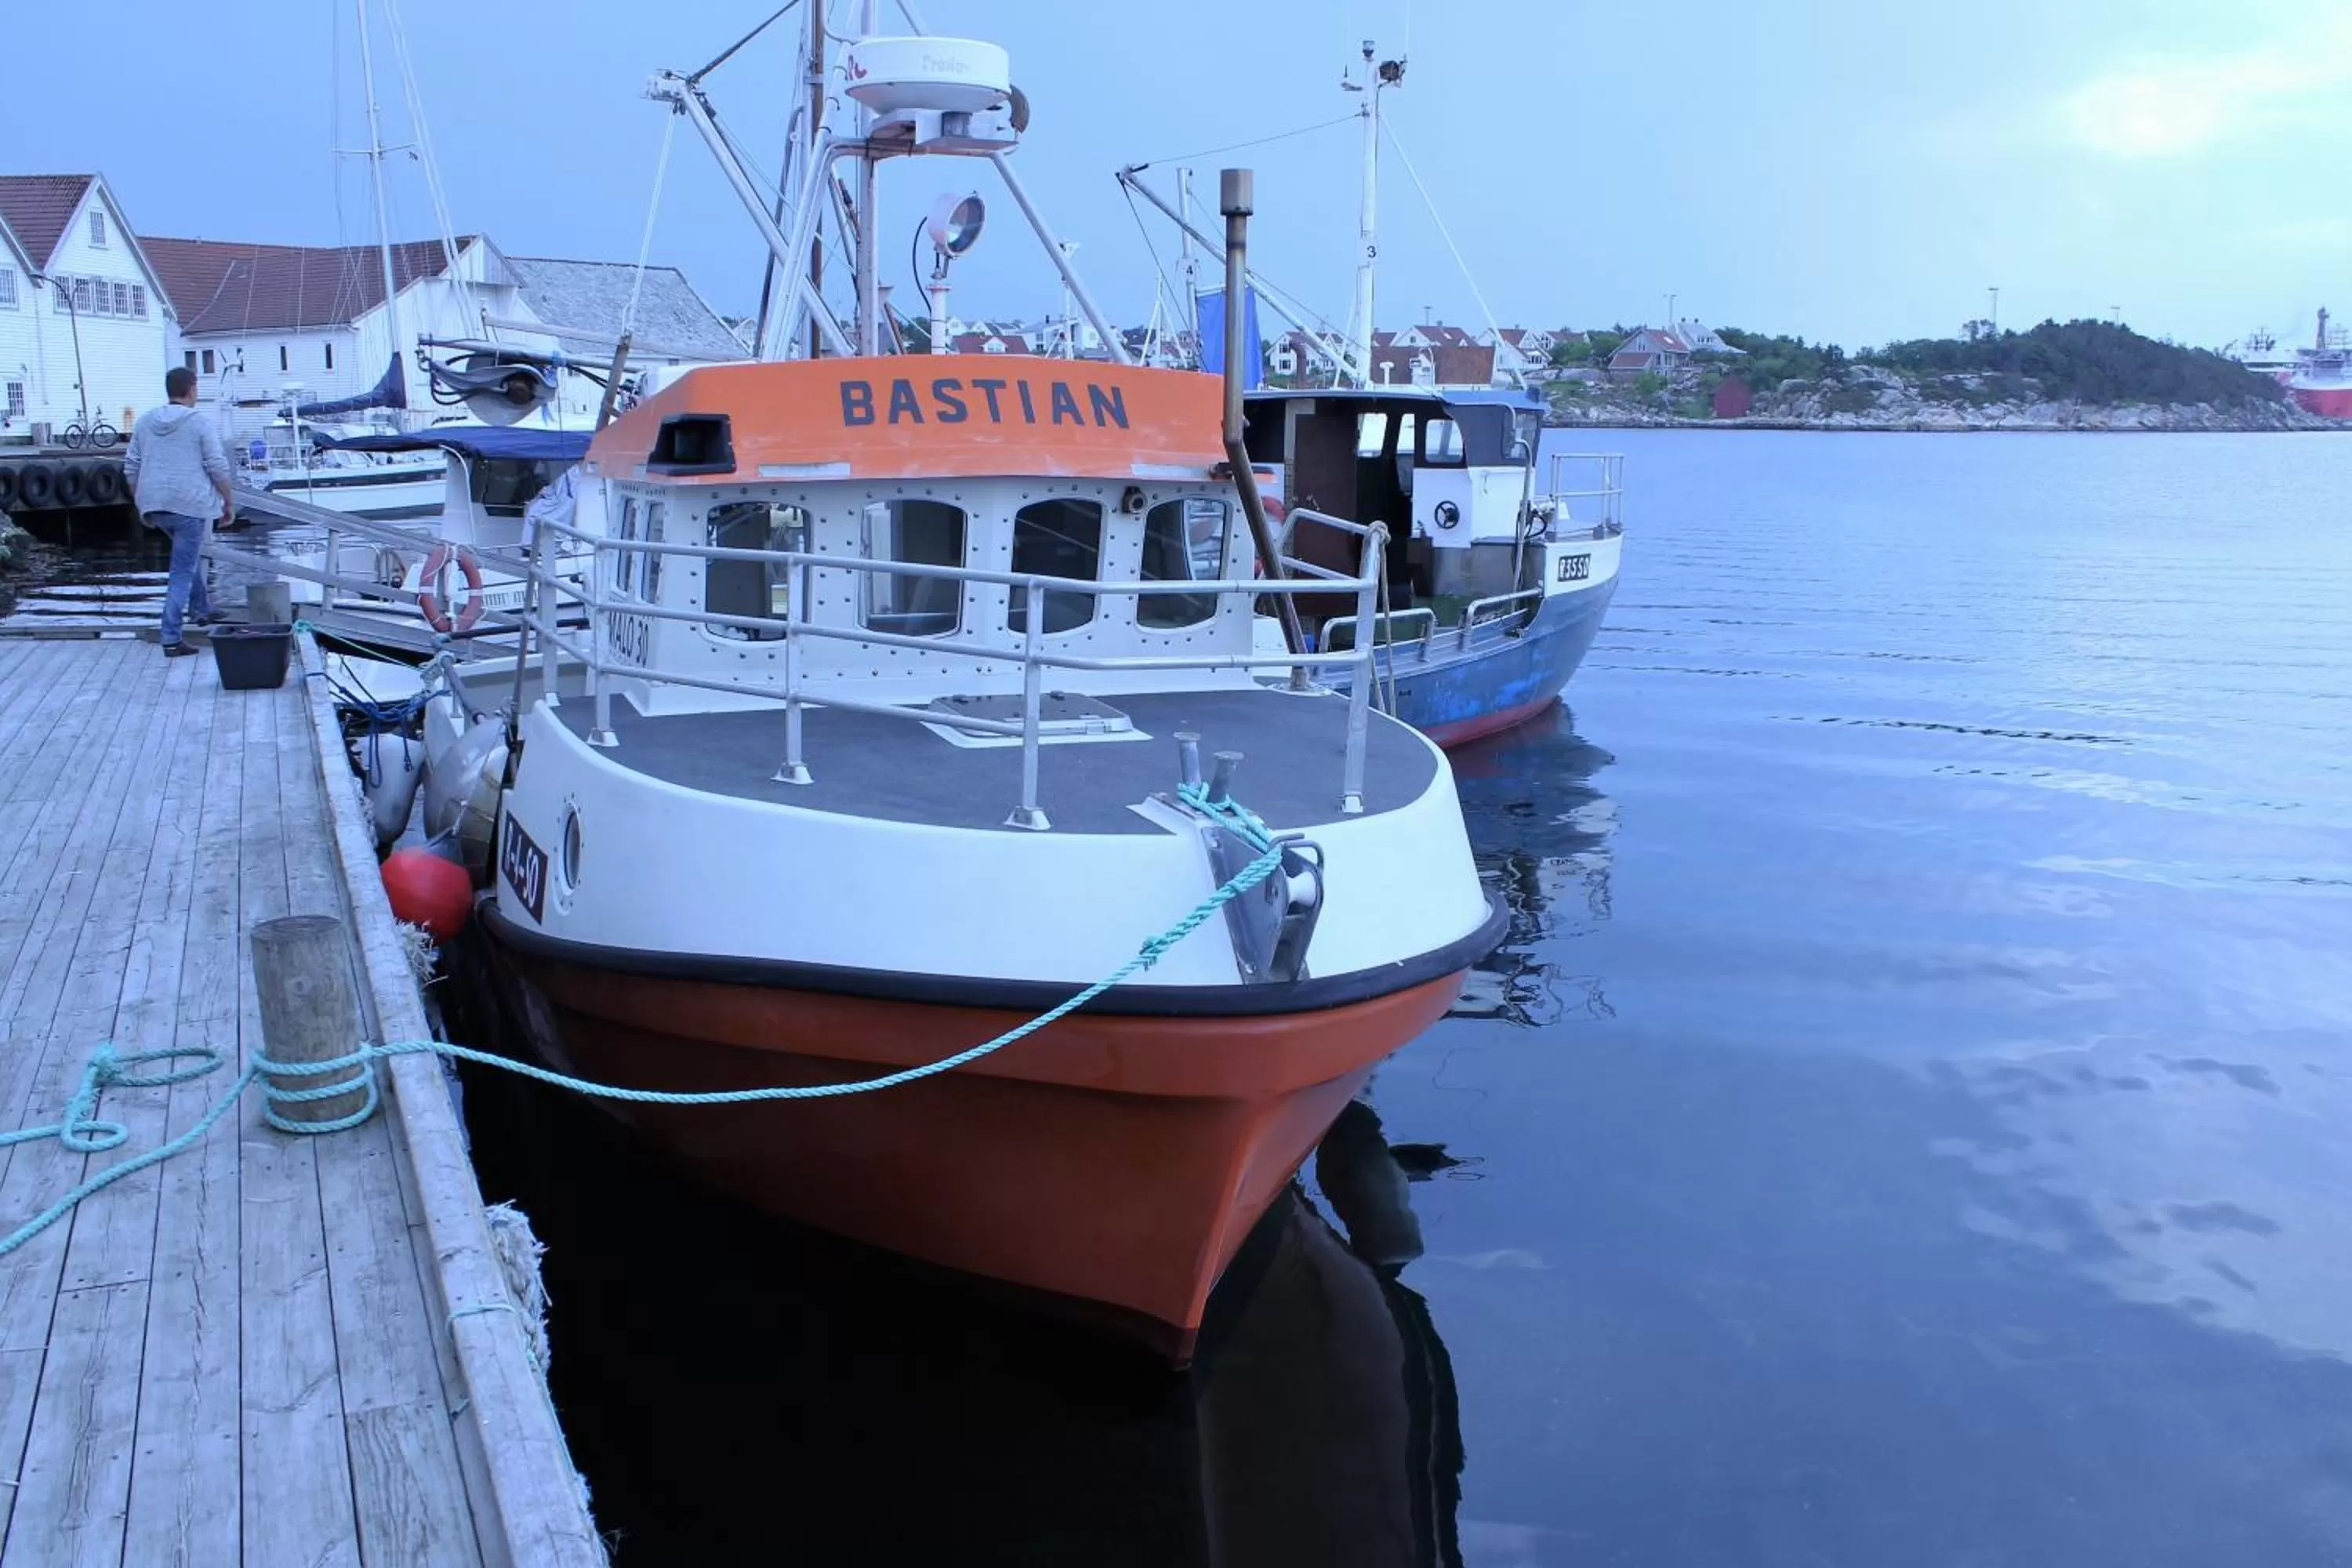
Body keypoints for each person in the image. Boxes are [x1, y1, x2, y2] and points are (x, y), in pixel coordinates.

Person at [122, 365, 235, 655]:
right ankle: (171, 638)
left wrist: (140, 501)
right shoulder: (198, 422)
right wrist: (228, 501)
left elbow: (131, 466)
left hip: (155, 505)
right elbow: (216, 465)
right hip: (189, 506)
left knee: (188, 557)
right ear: (192, 389)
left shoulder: (146, 421)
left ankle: (201, 609)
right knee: (182, 570)